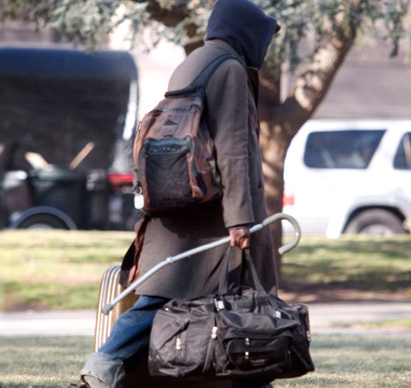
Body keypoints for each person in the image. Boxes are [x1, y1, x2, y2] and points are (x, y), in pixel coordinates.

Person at [80, 1, 280, 387]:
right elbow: (234, 147)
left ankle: (249, 379)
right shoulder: (230, 69)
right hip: (212, 216)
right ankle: (107, 363)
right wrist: (240, 218)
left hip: (184, 208)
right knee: (206, 298)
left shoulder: (196, 62)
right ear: (244, 32)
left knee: (174, 293)